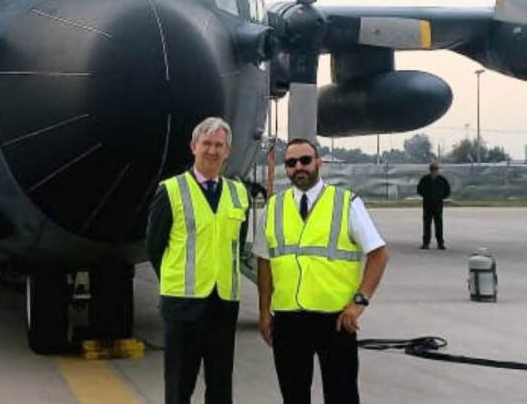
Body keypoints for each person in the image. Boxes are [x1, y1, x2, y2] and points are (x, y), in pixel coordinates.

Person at [254, 138, 389, 404]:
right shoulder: (272, 208)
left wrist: (359, 302)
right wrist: (263, 312)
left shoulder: (346, 203)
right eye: (291, 163)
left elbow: (378, 254)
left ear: (319, 162)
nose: (299, 167)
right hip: (288, 319)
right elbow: (264, 263)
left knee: (342, 396)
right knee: (293, 396)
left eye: (305, 160)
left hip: (335, 319)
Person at [146, 117, 250, 404]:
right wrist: (173, 278)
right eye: (206, 143)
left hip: (223, 303)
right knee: (179, 385)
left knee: (220, 386)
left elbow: (237, 243)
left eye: (219, 145)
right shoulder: (170, 190)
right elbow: (154, 246)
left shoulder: (238, 193)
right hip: (183, 304)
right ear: (194, 146)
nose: (212, 151)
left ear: (228, 150)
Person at [417, 162, 451, 249]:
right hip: (427, 204)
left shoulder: (442, 180)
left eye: (436, 169)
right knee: (427, 224)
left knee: (438, 223)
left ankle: (440, 243)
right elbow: (419, 189)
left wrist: (441, 197)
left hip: (438, 204)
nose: (434, 171)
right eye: (433, 169)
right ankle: (426, 243)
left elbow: (447, 190)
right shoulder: (425, 180)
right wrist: (426, 196)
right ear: (430, 170)